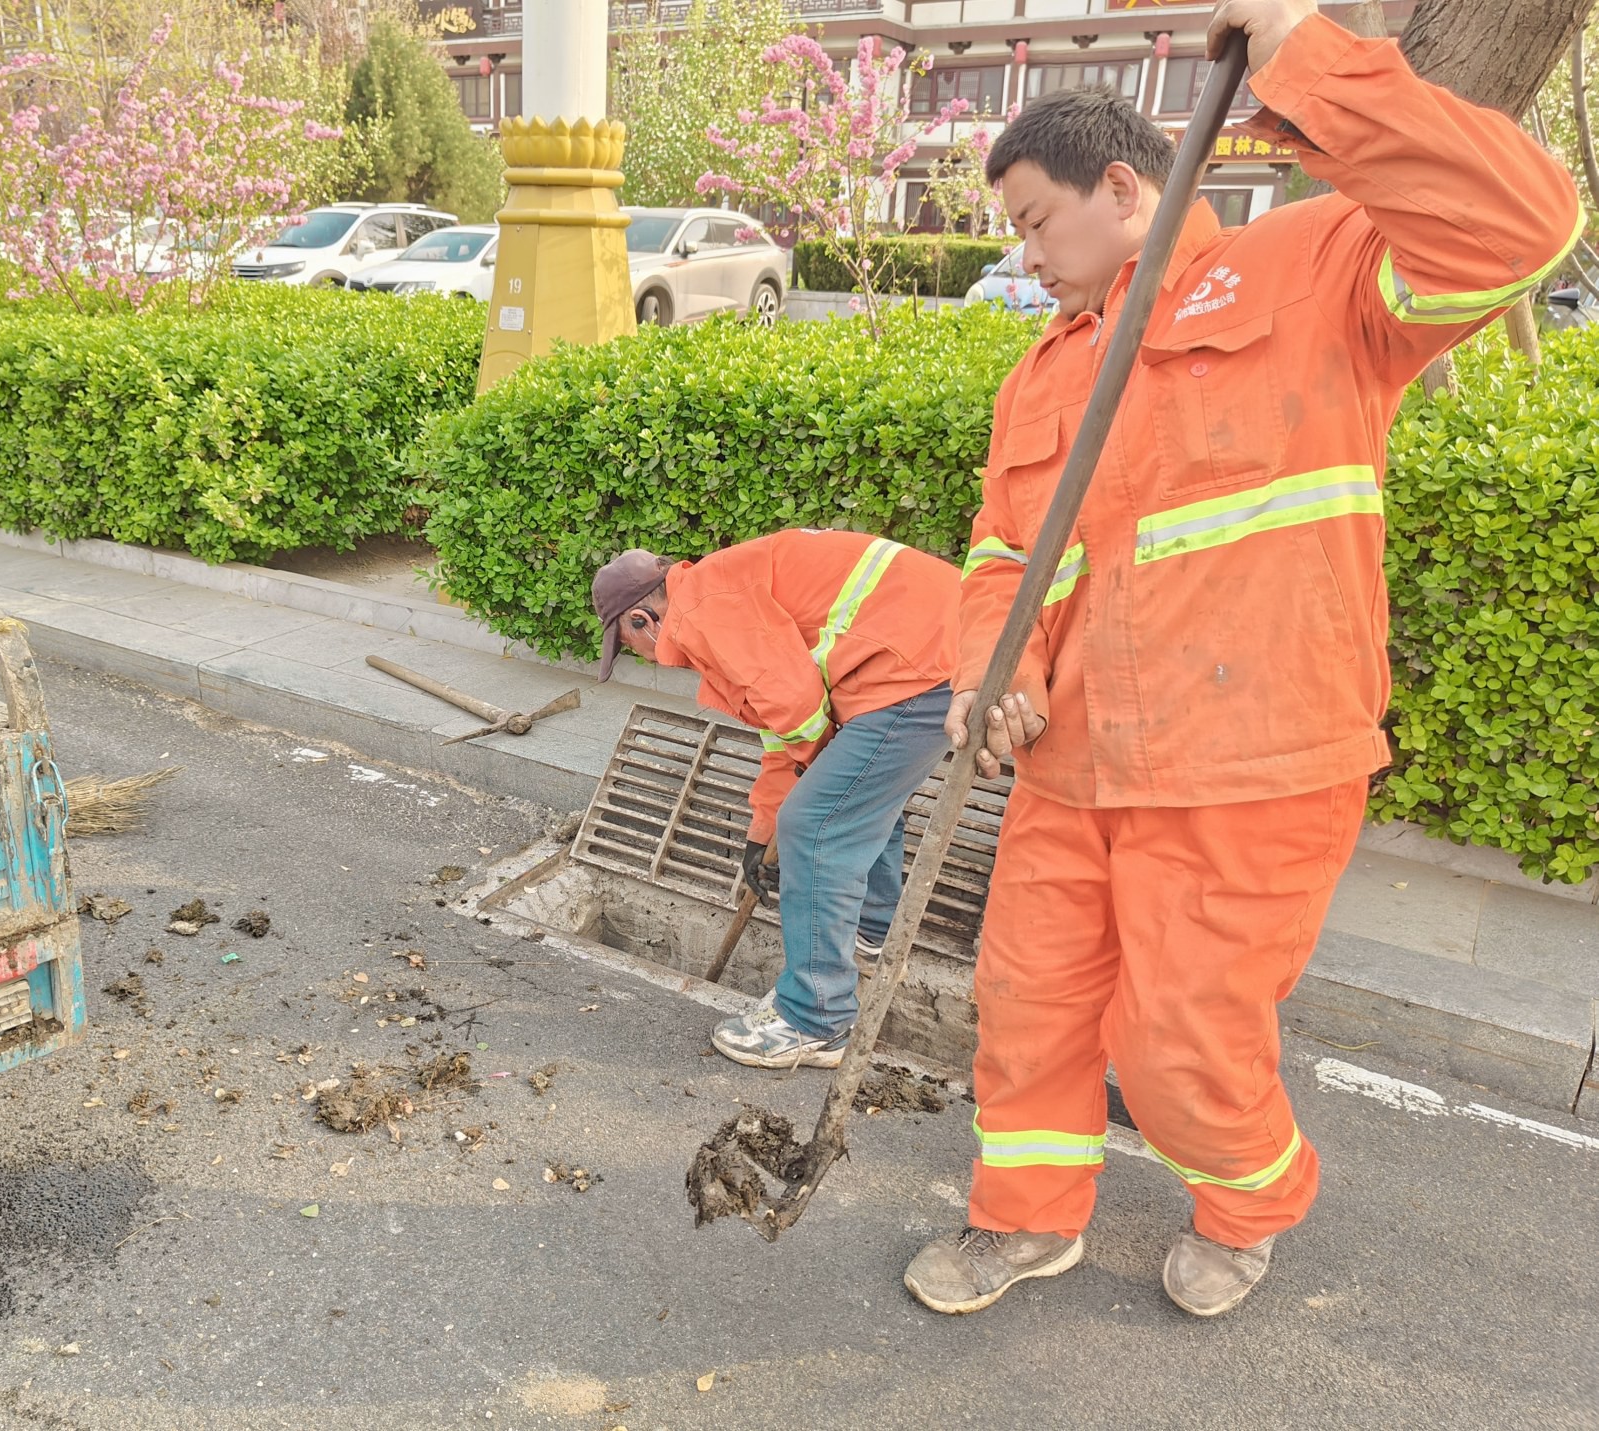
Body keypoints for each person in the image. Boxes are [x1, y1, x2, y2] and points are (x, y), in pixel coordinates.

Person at [902, 0, 1582, 1320]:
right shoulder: (1039, 380)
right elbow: (1003, 557)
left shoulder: (1309, 267)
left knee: (1174, 1043)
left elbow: (1522, 223)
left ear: (1118, 185)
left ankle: (1248, 1201)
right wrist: (988, 672)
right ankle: (1020, 1217)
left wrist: (1296, 54)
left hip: (1248, 766)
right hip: (1068, 765)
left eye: (1034, 220)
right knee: (1025, 1008)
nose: (1024, 255)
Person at [591, 531, 966, 1068]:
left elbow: (799, 712)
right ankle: (870, 938)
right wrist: (760, 833)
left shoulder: (704, 610)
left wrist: (791, 827)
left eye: (630, 646)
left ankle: (816, 1019)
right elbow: (781, 733)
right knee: (854, 801)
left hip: (918, 666)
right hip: (925, 655)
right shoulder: (716, 593)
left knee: (817, 825)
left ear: (641, 619)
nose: (645, 658)